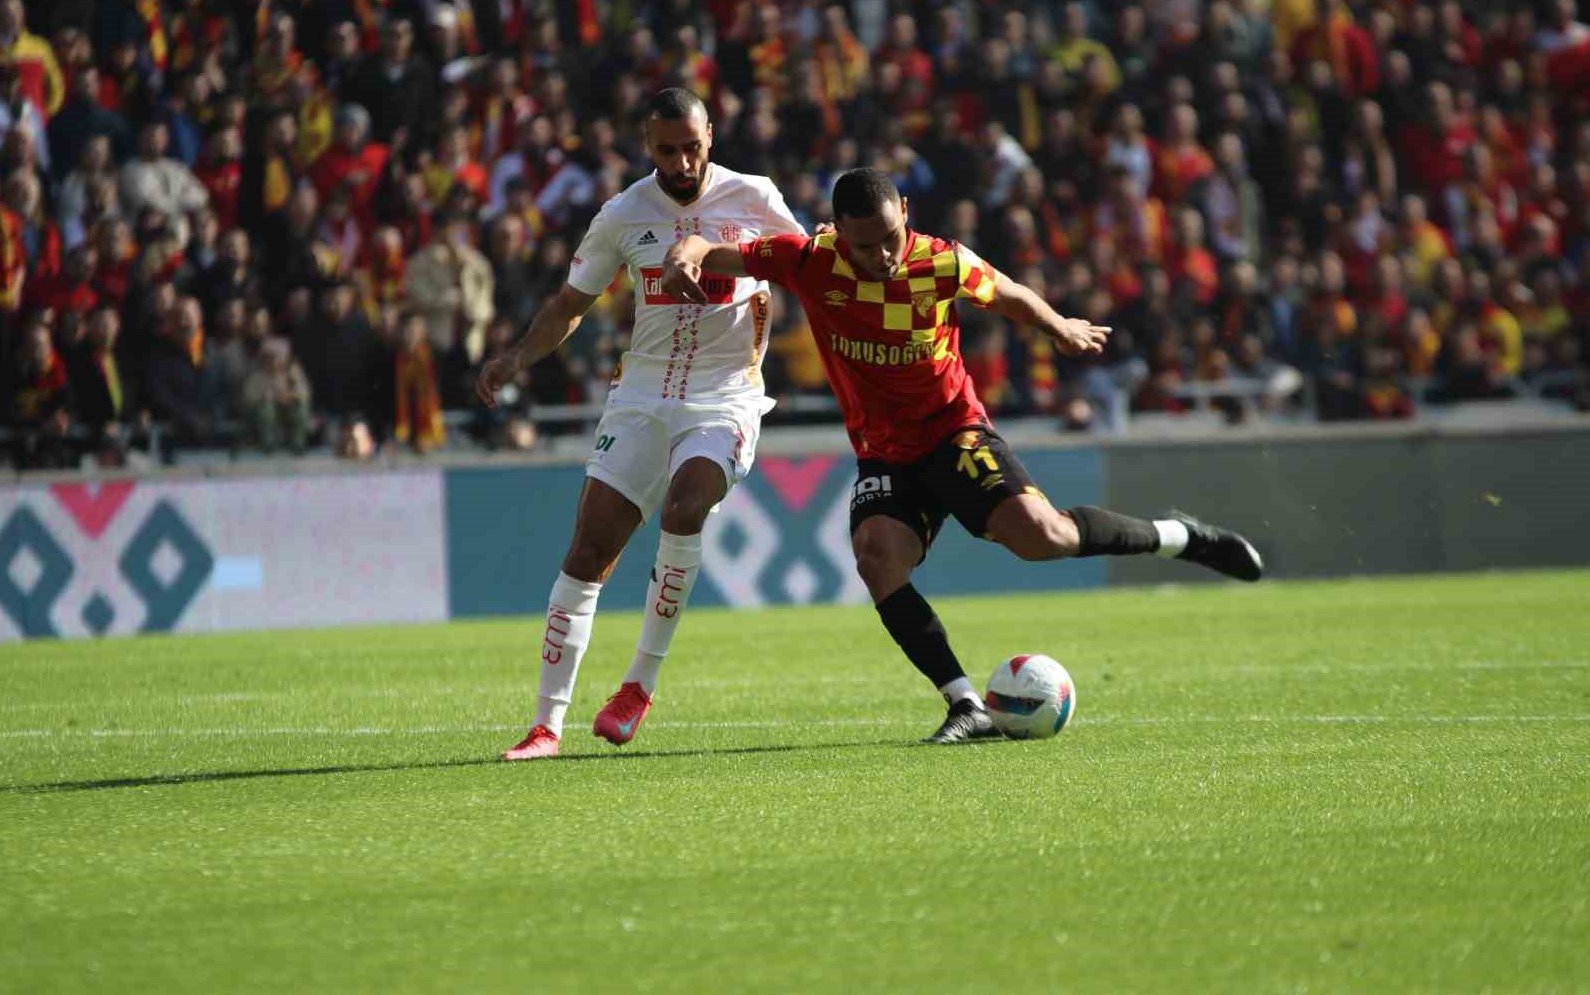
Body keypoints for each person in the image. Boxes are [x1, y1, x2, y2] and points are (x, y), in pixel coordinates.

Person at [662, 168, 1263, 743]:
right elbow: (718, 251)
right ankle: (964, 703)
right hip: (885, 455)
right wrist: (685, 254)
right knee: (876, 558)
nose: (883, 257)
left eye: (890, 238)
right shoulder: (807, 261)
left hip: (955, 432)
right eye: (865, 246)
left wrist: (1058, 326)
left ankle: (1179, 536)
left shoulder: (941, 261)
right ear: (838, 233)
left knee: (1043, 536)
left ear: (906, 213)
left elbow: (1006, 291)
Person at [475, 87, 804, 761]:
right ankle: (546, 726)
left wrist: (715, 251)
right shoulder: (622, 215)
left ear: (711, 133)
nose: (682, 163)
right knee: (589, 549)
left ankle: (637, 687)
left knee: (686, 507)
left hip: (725, 395)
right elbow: (572, 301)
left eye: (692, 147)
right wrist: (516, 356)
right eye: (666, 151)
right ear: (645, 146)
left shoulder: (755, 197)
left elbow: (807, 265)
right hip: (641, 394)